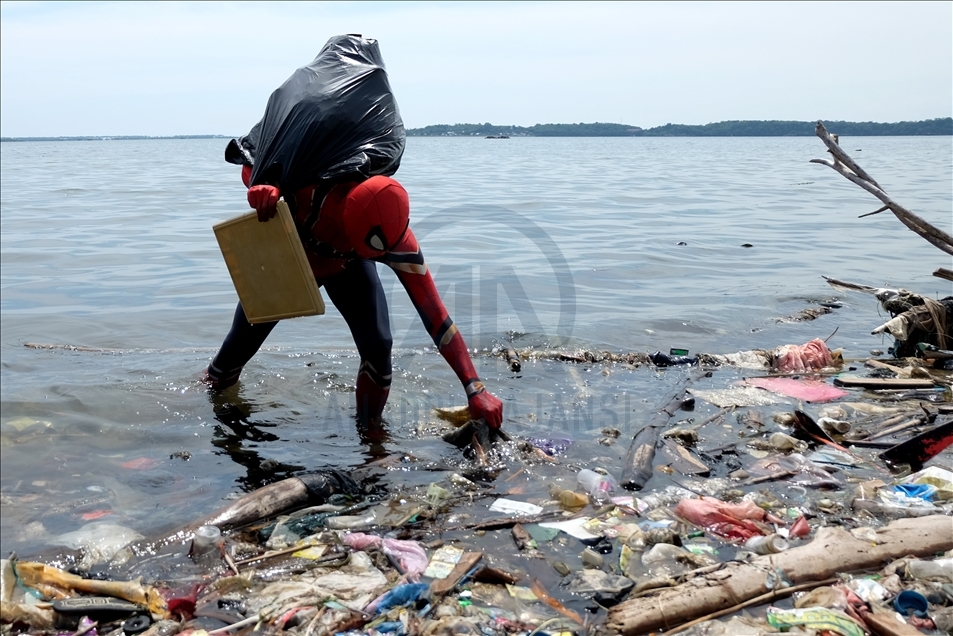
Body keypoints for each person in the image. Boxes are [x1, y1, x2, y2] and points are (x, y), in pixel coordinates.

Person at [204, 165, 503, 433]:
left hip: (347, 267)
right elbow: (255, 161)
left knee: (379, 346)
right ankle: (207, 412)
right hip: (294, 257)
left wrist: (474, 387)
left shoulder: (394, 238)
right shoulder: (306, 187)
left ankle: (371, 435)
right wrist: (262, 187)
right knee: (227, 365)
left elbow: (437, 317)